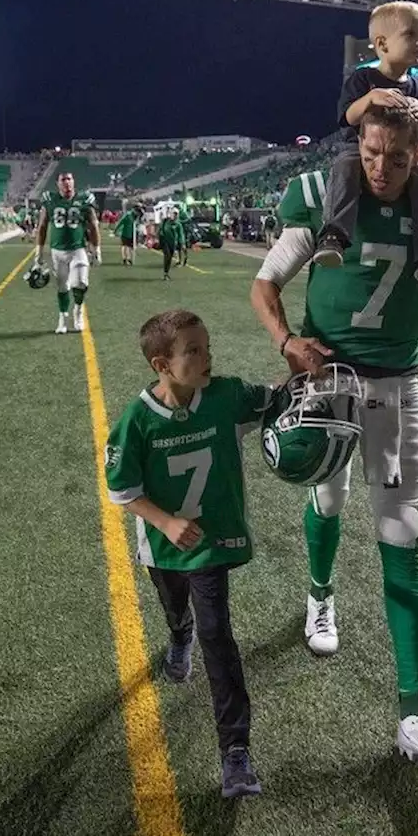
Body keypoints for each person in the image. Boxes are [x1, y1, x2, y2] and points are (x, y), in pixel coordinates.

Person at [249, 104, 418, 775]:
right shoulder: (325, 194)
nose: (380, 168)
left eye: (396, 155)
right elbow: (265, 285)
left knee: (402, 534)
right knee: (328, 501)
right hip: (331, 380)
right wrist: (286, 342)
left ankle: (415, 714)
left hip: (394, 387)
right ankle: (319, 596)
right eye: (370, 151)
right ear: (359, 143)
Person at [104, 309, 272, 799]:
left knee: (219, 634)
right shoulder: (137, 421)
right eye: (192, 351)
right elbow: (122, 489)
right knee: (178, 610)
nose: (206, 357)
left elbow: (273, 397)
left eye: (207, 346)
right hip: (164, 547)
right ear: (161, 363)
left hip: (211, 546)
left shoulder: (224, 396)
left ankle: (235, 753)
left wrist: (300, 371)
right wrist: (165, 521)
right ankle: (180, 634)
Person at [313, 2, 418, 300]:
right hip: (361, 152)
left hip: (406, 158)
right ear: (382, 43)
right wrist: (371, 99)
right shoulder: (363, 80)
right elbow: (347, 117)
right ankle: (334, 234)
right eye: (412, 34)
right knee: (345, 165)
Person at [36, 171, 99, 334]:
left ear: (74, 181)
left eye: (69, 179)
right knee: (62, 287)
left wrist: (96, 249)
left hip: (78, 249)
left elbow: (93, 225)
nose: (66, 182)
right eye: (63, 180)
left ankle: (77, 310)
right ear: (57, 184)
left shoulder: (84, 199)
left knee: (80, 283)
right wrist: (39, 253)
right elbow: (42, 226)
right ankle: (62, 319)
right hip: (57, 251)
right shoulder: (50, 199)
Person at [159, 207, 185, 281]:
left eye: (176, 214)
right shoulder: (165, 221)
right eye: (174, 214)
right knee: (167, 256)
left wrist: (182, 243)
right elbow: (161, 230)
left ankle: (166, 273)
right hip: (165, 242)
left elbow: (180, 234)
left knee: (170, 258)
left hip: (173, 243)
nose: (175, 216)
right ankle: (165, 273)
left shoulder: (178, 224)